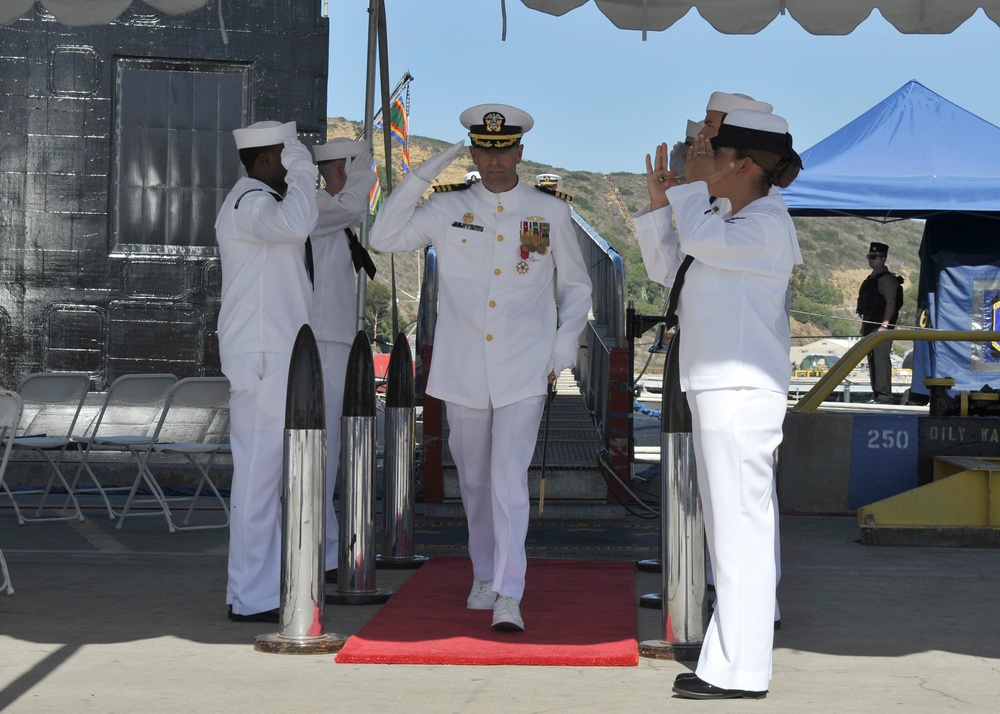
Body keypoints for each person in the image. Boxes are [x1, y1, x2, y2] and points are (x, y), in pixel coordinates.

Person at [370, 103, 592, 632]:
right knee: (472, 480)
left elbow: (576, 287)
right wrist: (425, 171)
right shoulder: (447, 208)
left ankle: (509, 593)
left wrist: (564, 346)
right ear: (471, 153)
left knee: (508, 480)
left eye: (504, 150)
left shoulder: (549, 212)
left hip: (524, 364)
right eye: (484, 151)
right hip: (464, 362)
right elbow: (382, 237)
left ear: (520, 151)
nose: (495, 162)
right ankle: (485, 573)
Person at [640, 109, 803, 700]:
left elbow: (702, 241)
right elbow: (669, 270)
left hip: (738, 392)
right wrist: (665, 201)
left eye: (710, 149)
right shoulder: (728, 218)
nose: (696, 155)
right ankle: (728, 661)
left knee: (740, 535)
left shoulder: (765, 222)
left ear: (745, 164)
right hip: (718, 390)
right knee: (729, 534)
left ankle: (741, 669)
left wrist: (684, 190)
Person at [216, 120, 318, 623]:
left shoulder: (260, 200)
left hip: (274, 352)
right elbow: (297, 225)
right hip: (261, 354)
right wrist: (303, 169)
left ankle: (256, 589)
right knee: (258, 477)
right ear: (264, 160)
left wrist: (296, 167)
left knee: (268, 477)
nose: (291, 165)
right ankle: (252, 595)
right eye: (284, 156)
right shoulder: (250, 201)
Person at [310, 138, 379, 583]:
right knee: (320, 453)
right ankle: (320, 552)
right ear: (340, 172)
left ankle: (329, 552)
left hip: (333, 340)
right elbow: (355, 206)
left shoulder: (330, 212)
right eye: (349, 171)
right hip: (318, 342)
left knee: (330, 455)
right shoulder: (316, 207)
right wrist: (365, 168)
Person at [857, 241, 903, 404]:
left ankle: (884, 395)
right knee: (872, 360)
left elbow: (890, 302)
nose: (871, 260)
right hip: (870, 324)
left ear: (883, 259)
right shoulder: (871, 279)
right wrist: (864, 326)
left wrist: (884, 324)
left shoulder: (887, 280)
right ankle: (877, 393)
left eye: (874, 257)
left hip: (881, 325)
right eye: (869, 257)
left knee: (881, 359)